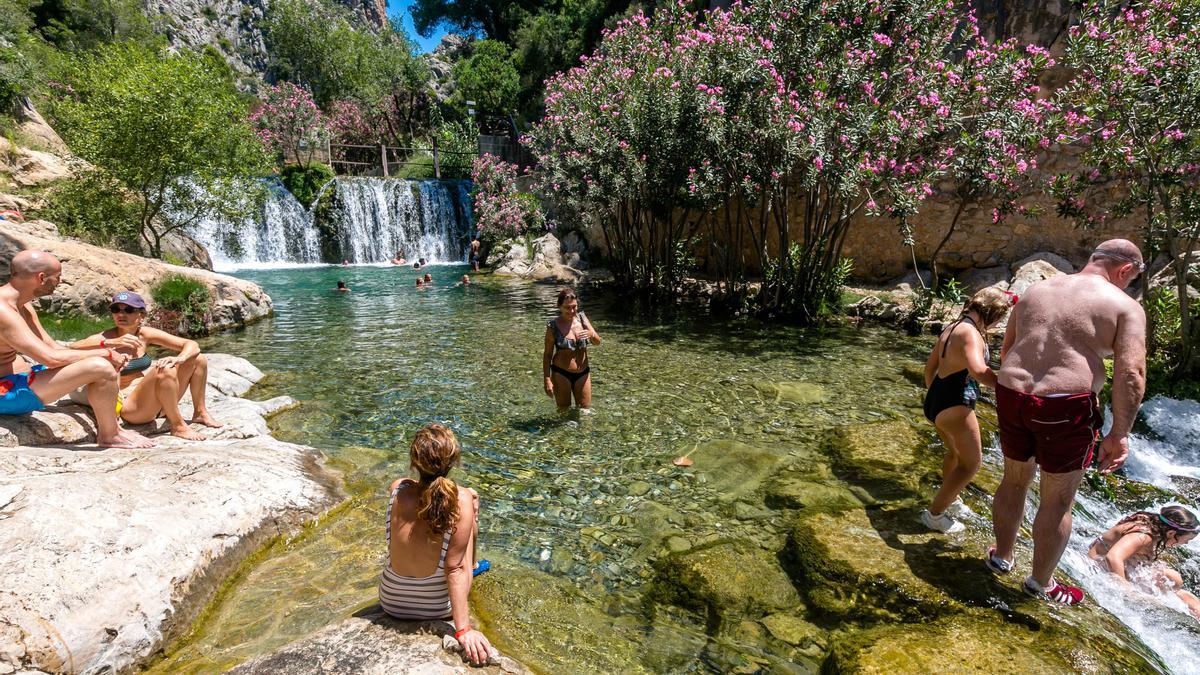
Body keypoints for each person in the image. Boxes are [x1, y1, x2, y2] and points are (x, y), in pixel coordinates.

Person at [987, 240, 1147, 607]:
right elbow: (1132, 373)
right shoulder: (1125, 307)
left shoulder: (1037, 289)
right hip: (1064, 406)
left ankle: (1002, 557)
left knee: (1013, 481)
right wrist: (1119, 434)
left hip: (1012, 394)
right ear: (1125, 270)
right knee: (1057, 501)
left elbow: (1008, 347)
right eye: (1132, 278)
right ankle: (1041, 583)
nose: (1129, 285)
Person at [0, 251, 154, 448]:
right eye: (57, 277)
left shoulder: (23, 306)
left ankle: (113, 427)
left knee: (104, 363)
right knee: (101, 366)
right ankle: (110, 434)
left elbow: (53, 347)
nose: (60, 282)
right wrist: (104, 353)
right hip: (4, 393)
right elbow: (50, 358)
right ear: (41, 278)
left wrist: (104, 345)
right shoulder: (4, 310)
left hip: (14, 381)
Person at [378, 424, 493, 665]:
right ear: (454, 462)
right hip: (437, 607)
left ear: (414, 461)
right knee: (469, 509)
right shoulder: (461, 498)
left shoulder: (397, 489)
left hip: (390, 601)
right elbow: (454, 569)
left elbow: (414, 488)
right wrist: (463, 629)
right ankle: (474, 565)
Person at [920, 287, 1015, 533]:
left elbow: (929, 369)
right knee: (971, 464)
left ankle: (949, 498)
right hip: (955, 405)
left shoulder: (951, 327)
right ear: (991, 314)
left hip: (935, 402)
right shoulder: (971, 333)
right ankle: (934, 515)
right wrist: (1008, 388)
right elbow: (978, 370)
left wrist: (937, 401)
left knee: (954, 455)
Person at [70, 291, 222, 441]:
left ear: (141, 315)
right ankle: (178, 426)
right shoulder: (105, 337)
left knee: (198, 359)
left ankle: (200, 413)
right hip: (132, 408)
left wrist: (179, 358)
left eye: (128, 310)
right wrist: (110, 343)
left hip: (158, 400)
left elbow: (192, 345)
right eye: (116, 310)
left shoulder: (144, 334)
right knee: (164, 370)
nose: (121, 314)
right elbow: (73, 348)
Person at [1089, 506, 1200, 619]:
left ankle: (1196, 608)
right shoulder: (1143, 536)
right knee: (1155, 598)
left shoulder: (1154, 528)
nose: (1186, 544)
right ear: (1171, 533)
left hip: (1120, 563)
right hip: (1096, 565)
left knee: (1173, 579)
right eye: (1187, 540)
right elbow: (1113, 557)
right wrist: (1124, 589)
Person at [542, 288, 601, 411]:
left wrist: (591, 334)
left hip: (583, 373)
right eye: (567, 308)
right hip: (561, 373)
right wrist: (547, 379)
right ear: (560, 307)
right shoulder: (553, 326)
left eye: (574, 307)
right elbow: (547, 355)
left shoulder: (582, 319)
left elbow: (597, 342)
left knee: (585, 411)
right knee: (564, 412)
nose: (571, 311)